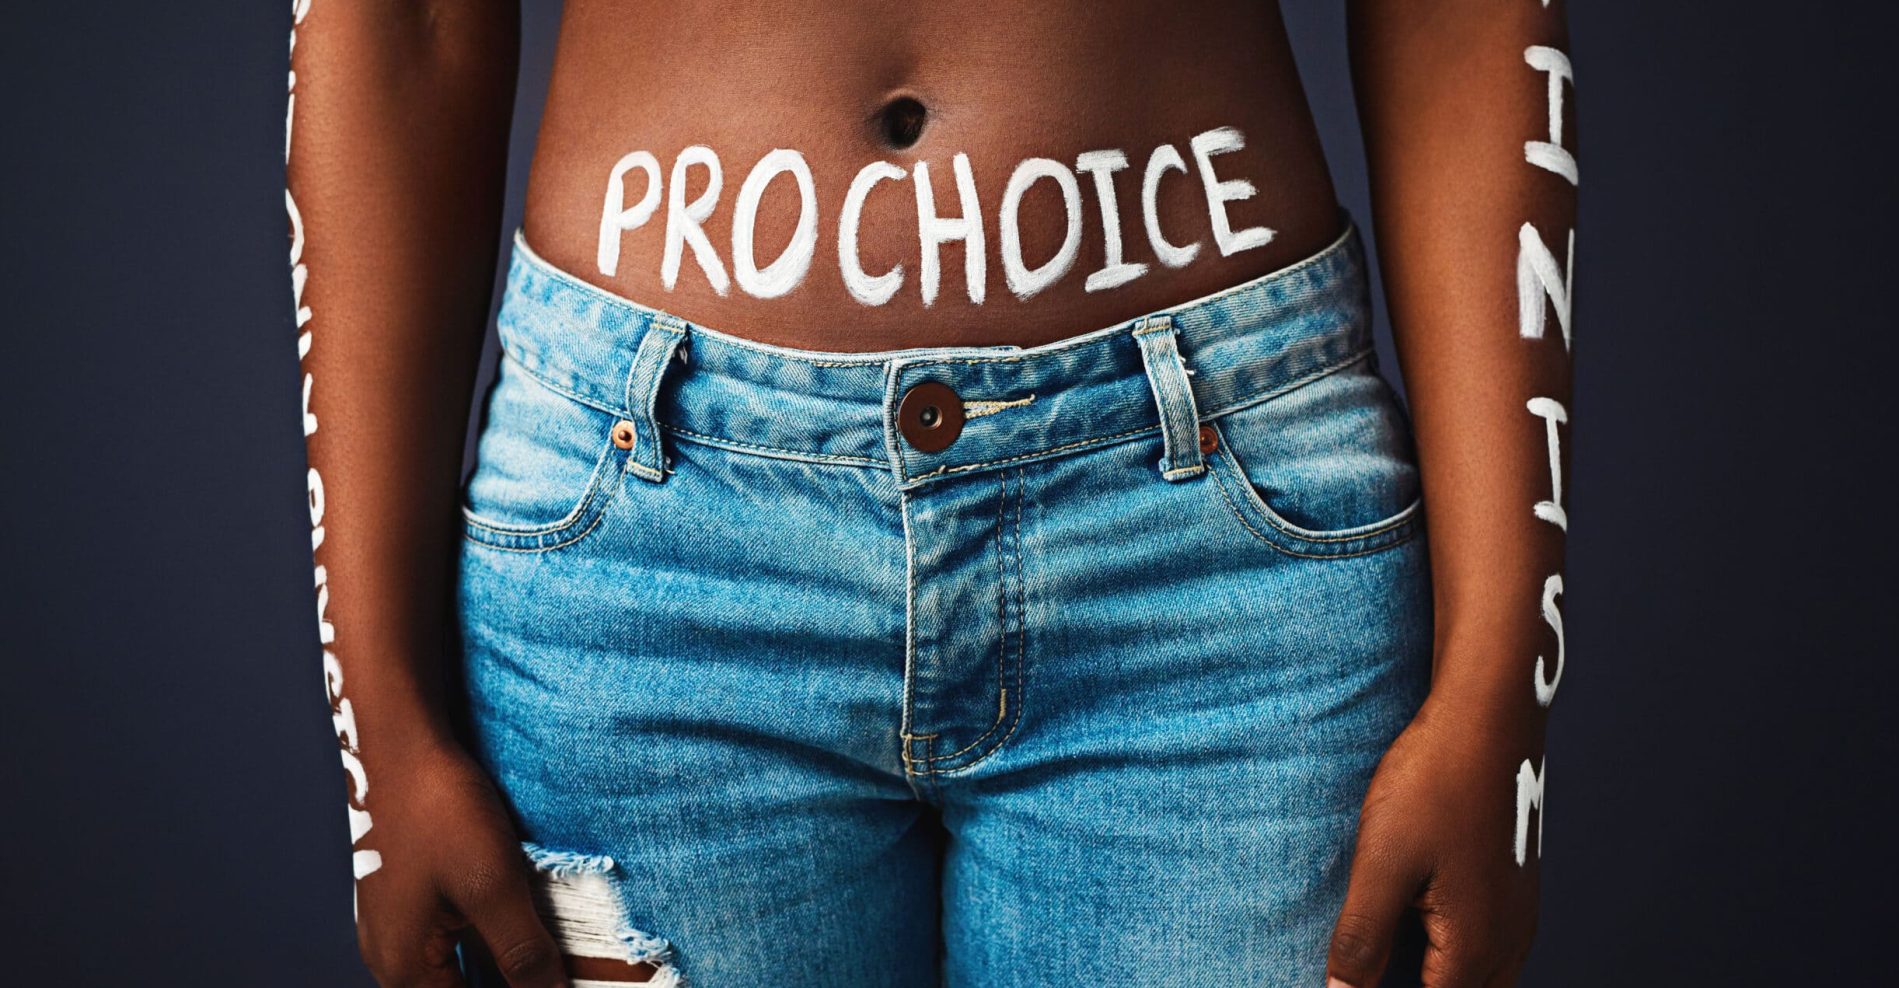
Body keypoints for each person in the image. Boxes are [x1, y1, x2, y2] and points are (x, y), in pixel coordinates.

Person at [284, 1, 1577, 985]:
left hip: (1209, 563)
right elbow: (403, 21)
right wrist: (379, 720)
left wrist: (1494, 690)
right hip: (651, 560)